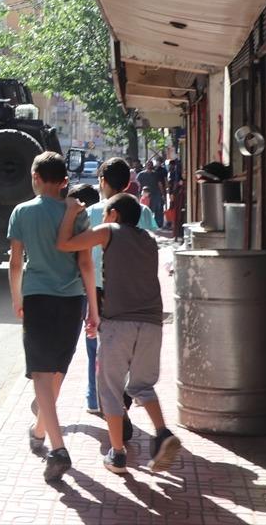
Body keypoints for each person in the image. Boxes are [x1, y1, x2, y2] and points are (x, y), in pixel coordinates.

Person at [57, 193, 182, 475]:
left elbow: (65, 244)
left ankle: (118, 454)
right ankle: (162, 433)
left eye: (105, 214)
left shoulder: (109, 231)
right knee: (142, 385)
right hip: (152, 323)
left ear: (114, 214)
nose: (102, 219)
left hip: (118, 325)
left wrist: (69, 214)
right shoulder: (149, 241)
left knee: (111, 390)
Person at [7, 151, 99, 483]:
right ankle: (40, 430)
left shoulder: (22, 212)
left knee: (43, 375)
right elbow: (86, 263)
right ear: (64, 181)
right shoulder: (76, 213)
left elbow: (16, 262)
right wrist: (94, 309)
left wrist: (18, 299)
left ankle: (58, 449)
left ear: (34, 178)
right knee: (56, 371)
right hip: (72, 301)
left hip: (38, 298)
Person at [82, 158, 158, 420]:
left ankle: (96, 398)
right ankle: (119, 398)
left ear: (102, 181)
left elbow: (82, 254)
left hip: (98, 289)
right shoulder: (142, 212)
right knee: (125, 350)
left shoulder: (92, 212)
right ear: (128, 182)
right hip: (133, 292)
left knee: (96, 347)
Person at [136, 159, 165, 228]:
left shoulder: (156, 174)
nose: (149, 166)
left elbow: (160, 184)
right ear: (145, 166)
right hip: (145, 195)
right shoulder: (141, 174)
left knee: (158, 209)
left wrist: (162, 194)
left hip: (155, 194)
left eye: (150, 164)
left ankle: (158, 224)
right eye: (148, 165)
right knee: (146, 210)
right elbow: (138, 185)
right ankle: (146, 224)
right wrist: (139, 194)